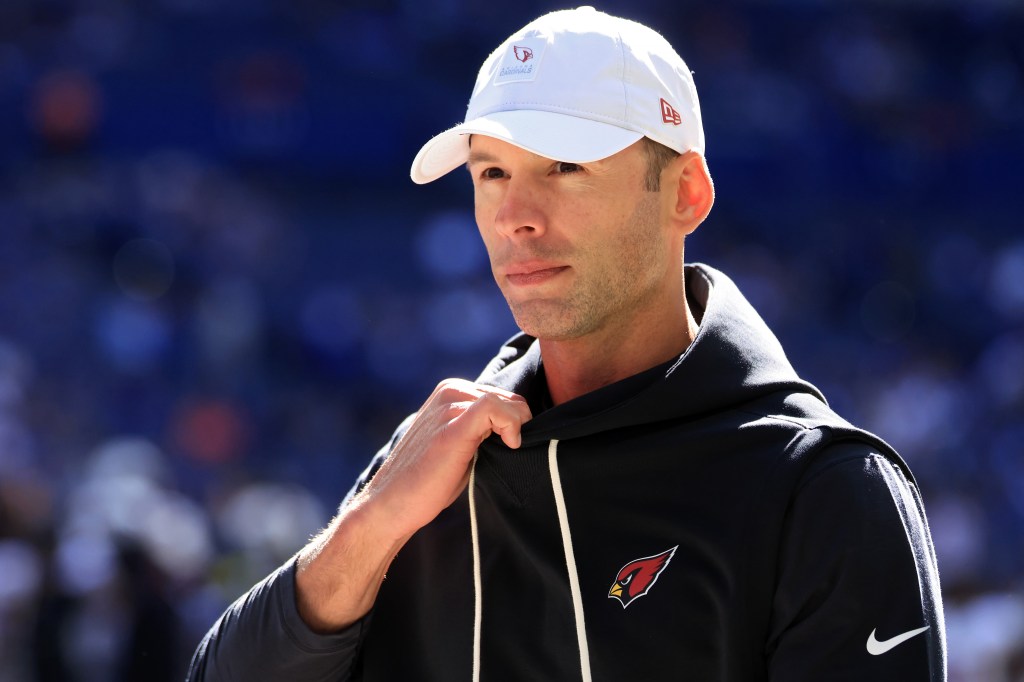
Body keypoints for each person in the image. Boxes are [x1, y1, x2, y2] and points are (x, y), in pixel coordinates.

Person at [187, 7, 946, 681]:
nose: (515, 214)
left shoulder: (822, 489)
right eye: (490, 172)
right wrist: (373, 526)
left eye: (566, 167)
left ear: (686, 192)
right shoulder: (425, 464)